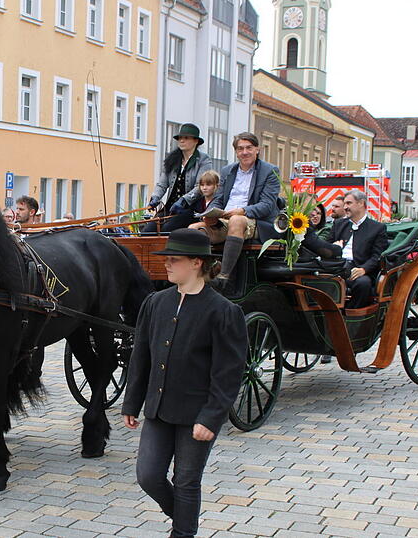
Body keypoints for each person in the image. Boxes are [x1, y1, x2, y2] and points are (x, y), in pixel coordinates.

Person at [121, 228, 246, 538]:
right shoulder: (155, 302)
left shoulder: (223, 312)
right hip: (159, 409)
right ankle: (184, 519)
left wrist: (211, 418)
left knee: (187, 480)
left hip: (196, 415)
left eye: (173, 259)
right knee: (148, 475)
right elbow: (141, 357)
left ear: (196, 263)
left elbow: (228, 373)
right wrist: (132, 402)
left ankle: (182, 532)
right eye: (167, 258)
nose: (166, 264)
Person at [196, 132, 281, 286]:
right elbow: (218, 199)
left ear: (257, 149)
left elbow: (267, 205)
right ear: (236, 152)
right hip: (224, 218)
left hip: (254, 220)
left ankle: (224, 277)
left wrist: (243, 211)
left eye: (249, 148)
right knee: (193, 229)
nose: (245, 152)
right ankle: (202, 274)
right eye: (240, 149)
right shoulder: (227, 171)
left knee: (236, 220)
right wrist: (210, 213)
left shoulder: (269, 171)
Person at [146, 123, 213, 234]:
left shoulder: (204, 160)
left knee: (167, 230)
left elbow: (199, 187)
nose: (181, 141)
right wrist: (155, 197)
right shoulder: (172, 159)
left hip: (190, 209)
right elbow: (162, 184)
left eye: (186, 138)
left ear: (196, 141)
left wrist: (184, 200)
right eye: (180, 138)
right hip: (170, 208)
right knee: (147, 231)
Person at [329, 190, 388, 309]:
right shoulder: (339, 224)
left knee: (363, 283)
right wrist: (334, 248)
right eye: (344, 204)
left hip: (359, 269)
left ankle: (353, 315)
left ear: (361, 203)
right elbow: (327, 245)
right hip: (337, 267)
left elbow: (377, 256)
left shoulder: (377, 228)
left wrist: (364, 269)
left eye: (349, 203)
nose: (345, 207)